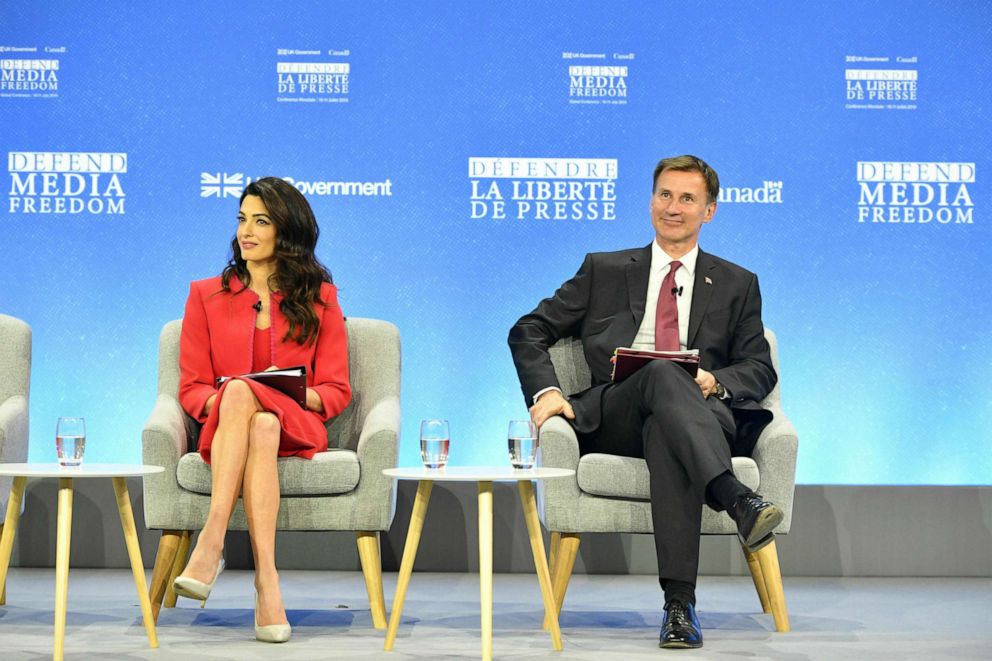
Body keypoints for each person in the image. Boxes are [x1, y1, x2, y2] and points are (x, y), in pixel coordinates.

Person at [508, 155, 782, 649]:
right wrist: (547, 392)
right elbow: (528, 330)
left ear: (710, 211)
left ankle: (679, 607)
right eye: (664, 195)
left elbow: (760, 368)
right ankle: (732, 496)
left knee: (668, 428)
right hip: (618, 413)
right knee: (658, 370)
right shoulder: (604, 270)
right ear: (651, 200)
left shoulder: (738, 284)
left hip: (697, 418)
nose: (672, 208)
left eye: (687, 199)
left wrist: (712, 381)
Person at [173, 177, 351, 643]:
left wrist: (282, 388)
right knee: (255, 418)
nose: (245, 231)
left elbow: (335, 391)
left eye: (261, 221)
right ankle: (267, 581)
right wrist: (236, 400)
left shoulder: (322, 299)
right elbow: (191, 389)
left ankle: (212, 543)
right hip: (231, 427)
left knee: (253, 401)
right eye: (241, 219)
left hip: (300, 424)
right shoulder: (205, 295)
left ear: (285, 231)